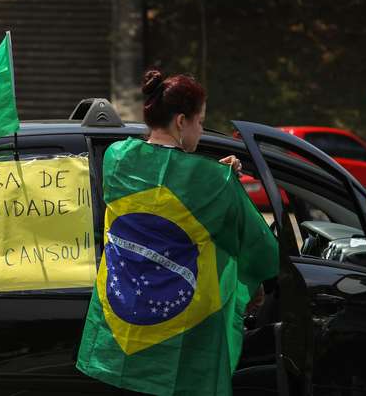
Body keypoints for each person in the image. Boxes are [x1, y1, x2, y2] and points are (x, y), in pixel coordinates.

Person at [76, 70, 278, 395]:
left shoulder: (116, 158)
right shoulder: (214, 181)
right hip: (183, 334)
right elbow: (261, 251)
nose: (200, 129)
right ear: (182, 121)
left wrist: (216, 173)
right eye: (200, 122)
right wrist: (223, 177)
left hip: (121, 327)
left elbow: (163, 182)